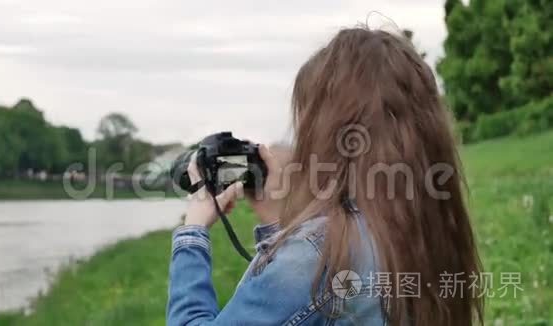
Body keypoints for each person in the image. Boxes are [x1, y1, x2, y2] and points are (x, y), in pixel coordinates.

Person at [167, 27, 483, 326]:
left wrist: (192, 231)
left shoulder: (320, 252)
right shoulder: (425, 223)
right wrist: (276, 222)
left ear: (329, 130)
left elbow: (309, 281)